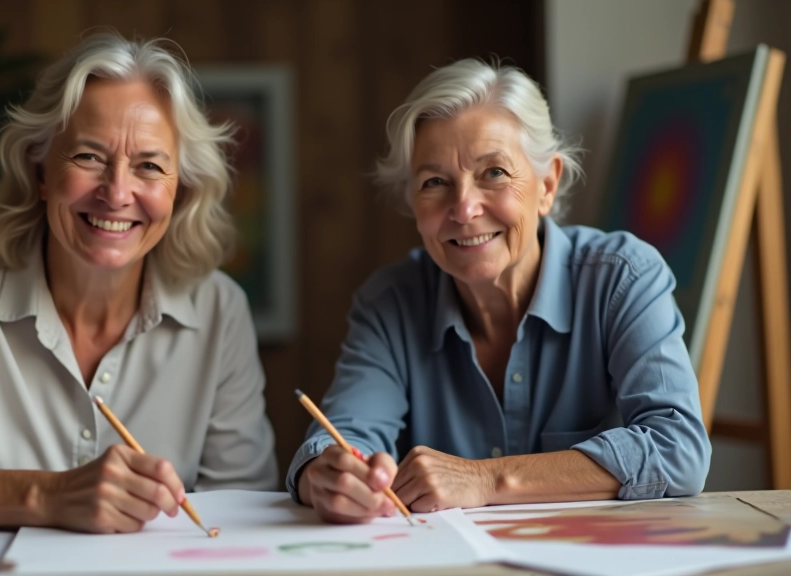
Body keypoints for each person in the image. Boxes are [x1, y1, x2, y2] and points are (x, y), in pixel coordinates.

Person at [0, 32, 278, 533]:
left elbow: (244, 506)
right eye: (88, 157)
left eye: (149, 166)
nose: (116, 193)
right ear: (39, 170)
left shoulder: (219, 309)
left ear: (181, 190)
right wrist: (47, 495)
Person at [288, 59, 711, 524]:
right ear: (412, 201)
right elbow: (344, 435)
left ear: (547, 185)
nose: (465, 209)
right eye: (434, 183)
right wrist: (327, 476)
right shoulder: (390, 302)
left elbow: (678, 449)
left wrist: (487, 479)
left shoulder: (623, 278)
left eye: (493, 173)